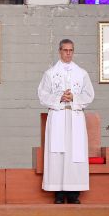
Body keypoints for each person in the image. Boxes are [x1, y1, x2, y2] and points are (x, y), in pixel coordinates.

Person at [38, 39, 94, 204]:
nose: (68, 53)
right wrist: (59, 97)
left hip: (75, 116)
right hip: (58, 116)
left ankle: (73, 194)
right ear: (59, 51)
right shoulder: (50, 73)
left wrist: (74, 97)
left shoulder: (82, 73)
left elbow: (89, 94)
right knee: (58, 154)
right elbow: (42, 95)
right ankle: (59, 194)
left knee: (74, 154)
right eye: (65, 50)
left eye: (71, 50)